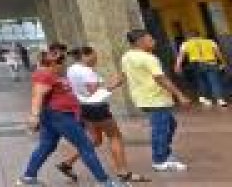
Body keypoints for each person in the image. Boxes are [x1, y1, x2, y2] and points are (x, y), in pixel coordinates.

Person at [15, 49, 121, 186]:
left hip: (55, 116)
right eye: (62, 62)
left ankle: (28, 177)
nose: (64, 65)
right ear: (55, 63)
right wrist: (34, 115)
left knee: (47, 146)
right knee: (85, 146)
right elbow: (38, 95)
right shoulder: (45, 74)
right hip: (59, 116)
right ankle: (104, 182)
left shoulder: (53, 74)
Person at [57, 47, 147, 183]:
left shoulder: (72, 69)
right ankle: (123, 172)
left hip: (84, 107)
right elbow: (94, 92)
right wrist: (116, 84)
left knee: (95, 139)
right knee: (115, 136)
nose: (96, 59)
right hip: (97, 108)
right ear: (85, 56)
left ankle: (67, 163)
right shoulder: (87, 71)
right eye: (94, 56)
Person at [123, 29, 191, 173]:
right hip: (155, 99)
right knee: (161, 129)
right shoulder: (149, 58)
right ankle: (160, 160)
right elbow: (161, 79)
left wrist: (113, 85)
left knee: (170, 124)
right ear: (140, 41)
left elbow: (124, 74)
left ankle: (164, 152)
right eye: (150, 39)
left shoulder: (127, 56)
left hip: (143, 98)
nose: (154, 42)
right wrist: (179, 95)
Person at [174, 30, 226, 106]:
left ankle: (203, 98)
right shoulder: (210, 42)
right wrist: (222, 62)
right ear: (199, 35)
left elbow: (181, 56)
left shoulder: (186, 44)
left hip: (196, 64)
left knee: (201, 81)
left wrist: (177, 66)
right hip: (211, 63)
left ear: (189, 37)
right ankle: (220, 99)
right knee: (214, 81)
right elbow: (218, 53)